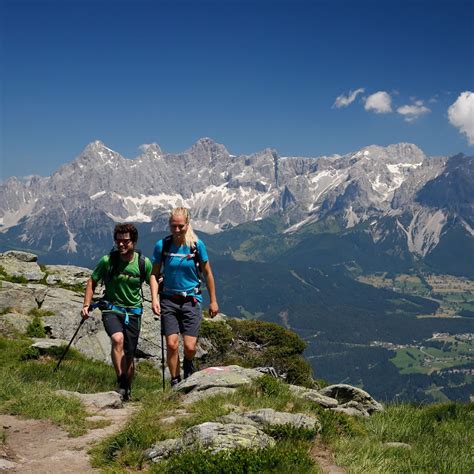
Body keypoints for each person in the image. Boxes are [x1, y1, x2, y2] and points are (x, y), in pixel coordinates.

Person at [81, 223, 152, 400]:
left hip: (134, 312)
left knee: (129, 354)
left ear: (133, 242)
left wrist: (159, 299)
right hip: (111, 308)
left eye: (125, 241)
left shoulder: (143, 263)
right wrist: (86, 304)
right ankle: (121, 382)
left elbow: (153, 280)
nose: (121, 244)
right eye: (118, 241)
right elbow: (92, 281)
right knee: (117, 339)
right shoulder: (107, 261)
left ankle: (127, 387)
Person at [150, 207, 219, 388]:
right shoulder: (162, 246)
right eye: (174, 226)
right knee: (172, 344)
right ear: (169, 225)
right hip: (168, 299)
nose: (177, 230)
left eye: (181, 226)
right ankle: (175, 380)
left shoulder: (197, 245)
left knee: (190, 347)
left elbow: (207, 273)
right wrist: (154, 299)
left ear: (187, 224)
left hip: (191, 300)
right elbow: (154, 274)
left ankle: (188, 363)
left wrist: (213, 300)